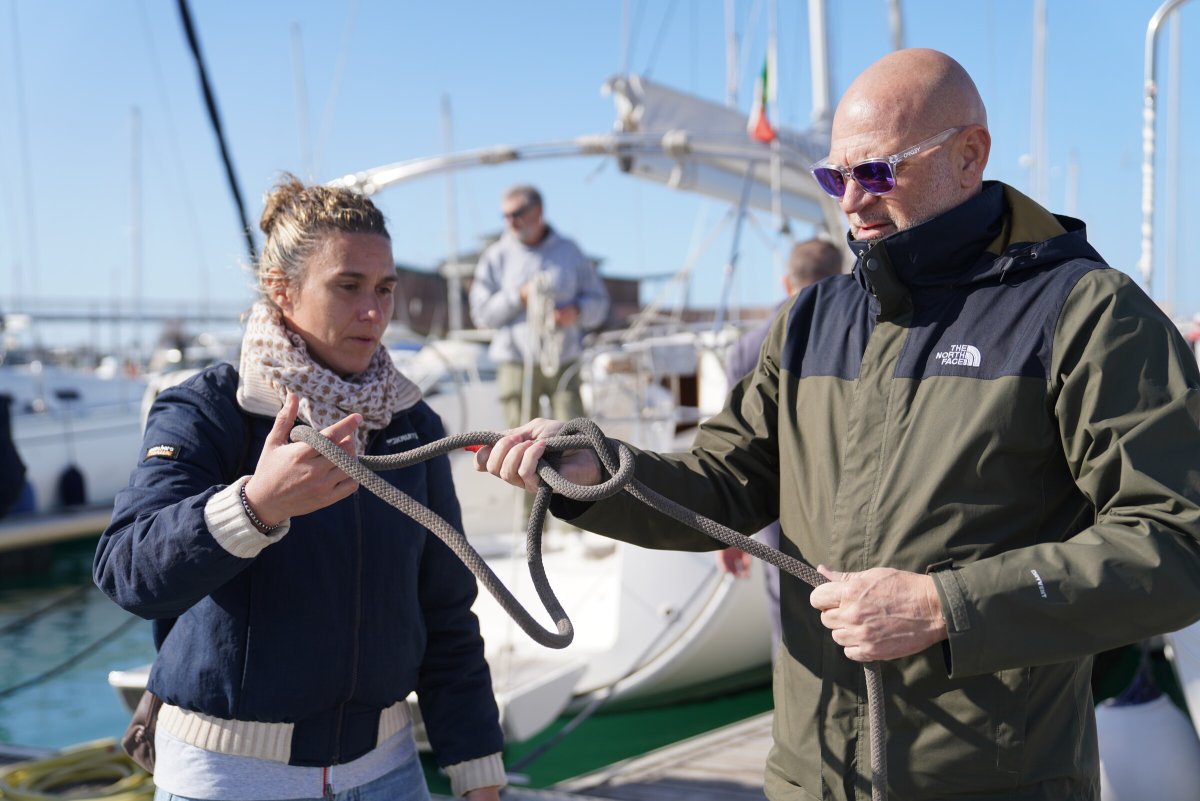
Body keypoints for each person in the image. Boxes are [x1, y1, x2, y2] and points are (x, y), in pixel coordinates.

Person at [474, 48, 1200, 801]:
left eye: (878, 173)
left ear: (969, 156)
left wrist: (945, 607)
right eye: (834, 178)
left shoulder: (1085, 313)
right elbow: (722, 485)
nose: (851, 201)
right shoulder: (811, 321)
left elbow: (1179, 540)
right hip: (810, 777)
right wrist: (594, 474)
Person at [94, 175, 505, 801]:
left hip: (389, 773)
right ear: (281, 290)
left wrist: (477, 771)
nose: (374, 311)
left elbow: (445, 610)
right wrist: (255, 507)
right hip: (228, 779)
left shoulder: (412, 426)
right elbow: (127, 570)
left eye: (385, 289)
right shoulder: (210, 411)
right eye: (348, 287)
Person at [714, 238, 842, 660]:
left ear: (787, 281)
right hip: (843, 499)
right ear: (841, 276)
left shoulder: (746, 348)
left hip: (775, 507)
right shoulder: (857, 333)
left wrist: (729, 531)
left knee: (785, 616)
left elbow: (734, 445)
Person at [468, 185, 610, 429]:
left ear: (538, 211)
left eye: (517, 213)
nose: (511, 222)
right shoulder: (495, 256)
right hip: (515, 361)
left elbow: (600, 303)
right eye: (506, 216)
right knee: (518, 440)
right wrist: (518, 296)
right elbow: (482, 314)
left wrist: (577, 312)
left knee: (573, 435)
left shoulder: (569, 252)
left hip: (563, 359)